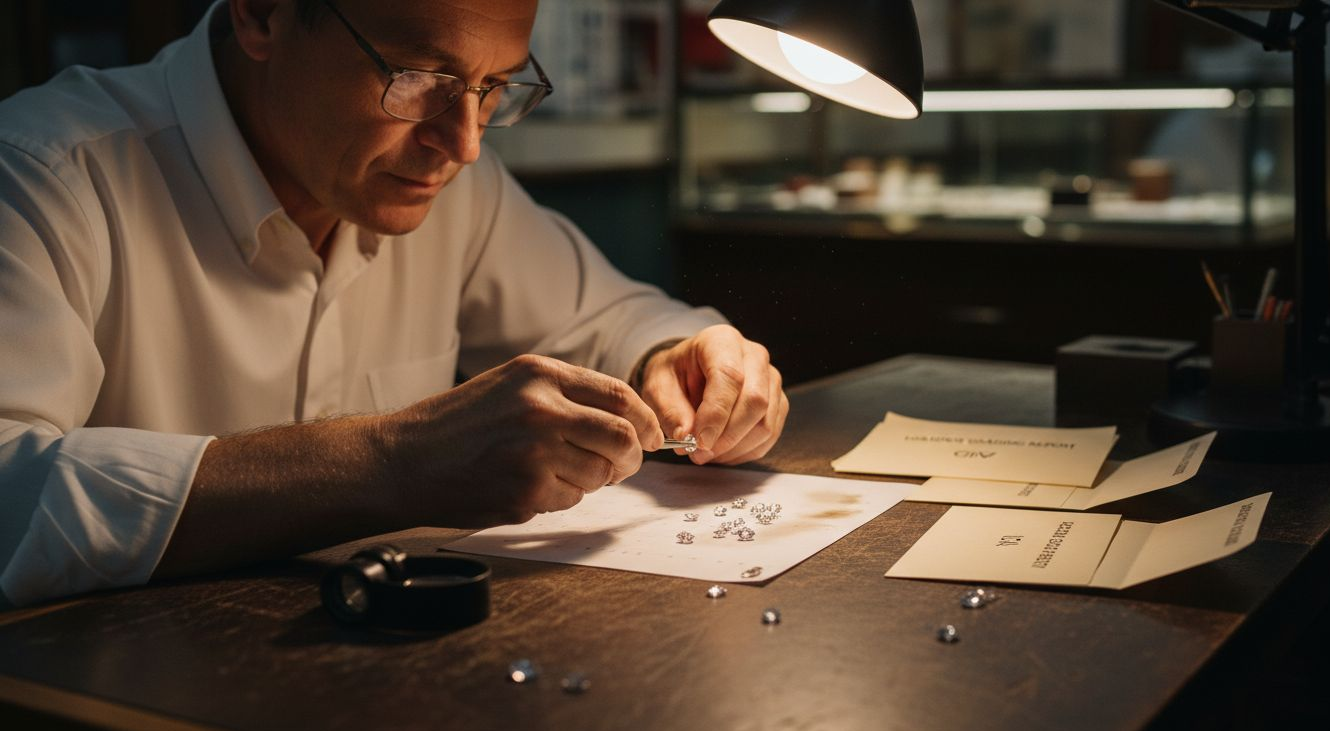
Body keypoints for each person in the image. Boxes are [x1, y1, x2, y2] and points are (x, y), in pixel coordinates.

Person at [0, 0, 787, 607]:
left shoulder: (453, 187)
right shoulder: (43, 176)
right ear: (262, 13)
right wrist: (391, 463)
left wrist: (682, 358)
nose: (466, 143)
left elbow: (615, 320)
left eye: (495, 87)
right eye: (418, 79)